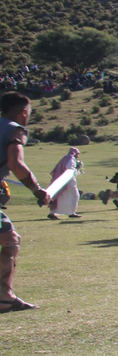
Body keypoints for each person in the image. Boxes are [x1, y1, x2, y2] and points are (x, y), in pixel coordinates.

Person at [0, 92, 50, 312]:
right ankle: (3, 297)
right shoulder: (14, 130)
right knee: (10, 240)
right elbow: (15, 163)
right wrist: (37, 191)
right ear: (23, 111)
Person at [46, 146, 82, 220]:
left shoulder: (65, 158)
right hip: (68, 181)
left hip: (62, 180)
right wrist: (77, 168)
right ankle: (72, 212)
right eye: (77, 154)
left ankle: (52, 212)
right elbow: (69, 168)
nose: (78, 156)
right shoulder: (71, 158)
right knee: (75, 195)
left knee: (59, 196)